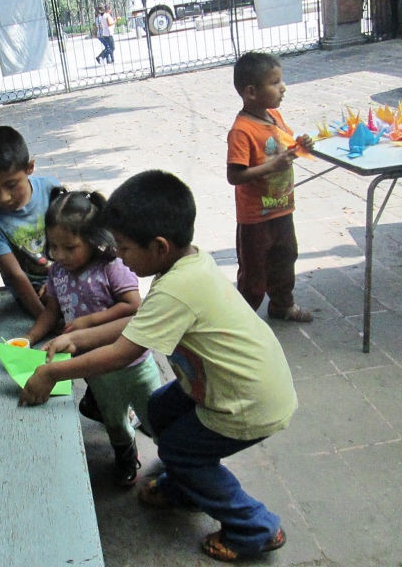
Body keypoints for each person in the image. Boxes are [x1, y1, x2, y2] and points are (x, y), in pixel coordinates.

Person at [19, 170, 296, 562]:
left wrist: (51, 372)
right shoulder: (186, 265)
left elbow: (123, 352)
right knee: (161, 409)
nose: (118, 255)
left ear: (160, 246)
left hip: (247, 402)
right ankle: (187, 489)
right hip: (233, 383)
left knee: (181, 451)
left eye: (124, 247)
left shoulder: (176, 288)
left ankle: (254, 527)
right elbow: (141, 323)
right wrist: (80, 338)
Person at [21, 188, 161, 486]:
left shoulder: (113, 267)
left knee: (157, 418)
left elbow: (133, 306)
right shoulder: (57, 272)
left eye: (69, 247)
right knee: (113, 421)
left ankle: (174, 462)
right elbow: (51, 311)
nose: (59, 255)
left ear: (94, 239)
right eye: (53, 246)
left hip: (134, 364)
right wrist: (29, 338)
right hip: (94, 369)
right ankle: (125, 454)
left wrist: (89, 321)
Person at [227, 51, 314, 322]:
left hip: (282, 208)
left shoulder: (274, 116)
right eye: (275, 83)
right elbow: (235, 175)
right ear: (251, 92)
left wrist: (300, 146)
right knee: (254, 273)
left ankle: (282, 305)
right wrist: (271, 167)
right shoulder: (242, 130)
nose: (283, 87)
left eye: (281, 81)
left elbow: (284, 149)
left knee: (285, 258)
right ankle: (242, 321)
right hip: (256, 216)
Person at [0, 125, 61, 318]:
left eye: (11, 185)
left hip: (66, 272)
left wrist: (61, 279)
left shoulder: (51, 188)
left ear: (29, 168)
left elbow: (75, 239)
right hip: (33, 290)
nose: (3, 197)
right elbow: (15, 275)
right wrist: (44, 318)